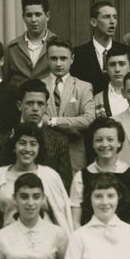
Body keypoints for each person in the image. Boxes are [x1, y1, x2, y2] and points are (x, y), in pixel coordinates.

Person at [0, 122, 72, 237]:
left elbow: (62, 217)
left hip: (46, 244)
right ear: (14, 147)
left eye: (33, 144)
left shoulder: (50, 176)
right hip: (9, 243)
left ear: (39, 147)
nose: (27, 148)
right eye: (22, 143)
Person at [0, 79, 73, 189]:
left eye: (40, 104)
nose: (35, 108)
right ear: (19, 105)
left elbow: (64, 185)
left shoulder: (59, 140)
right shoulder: (3, 139)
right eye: (30, 103)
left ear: (46, 107)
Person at [70, 116, 130, 227]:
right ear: (92, 143)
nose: (105, 144)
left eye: (110, 139)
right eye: (99, 140)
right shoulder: (81, 177)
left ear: (119, 142)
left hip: (123, 239)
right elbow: (75, 221)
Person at [42, 37, 96, 173]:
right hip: (45, 152)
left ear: (72, 59)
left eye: (63, 58)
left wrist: (52, 121)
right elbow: (35, 119)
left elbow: (89, 119)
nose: (59, 63)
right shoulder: (38, 86)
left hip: (74, 154)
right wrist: (72, 125)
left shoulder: (83, 87)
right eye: (54, 58)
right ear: (47, 59)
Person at [4, 0, 55, 87]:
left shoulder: (57, 45)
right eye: (29, 15)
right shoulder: (12, 48)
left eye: (38, 14)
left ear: (47, 16)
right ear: (23, 17)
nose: (33, 20)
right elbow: (5, 81)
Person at [71, 0, 119, 95]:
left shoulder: (125, 51)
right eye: (106, 17)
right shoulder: (78, 54)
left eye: (115, 17)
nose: (112, 21)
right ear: (93, 22)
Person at [92, 42, 130, 119]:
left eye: (122, 64)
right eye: (112, 64)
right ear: (106, 69)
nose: (117, 69)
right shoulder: (97, 99)